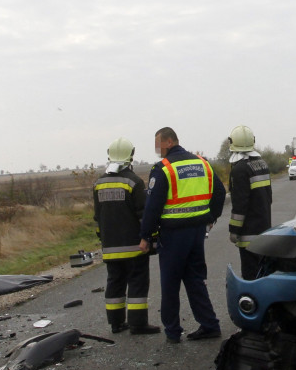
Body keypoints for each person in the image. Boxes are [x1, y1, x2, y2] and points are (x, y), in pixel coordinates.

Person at [139, 127, 226, 343]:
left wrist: (146, 236)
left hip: (173, 234)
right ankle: (209, 324)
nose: (157, 148)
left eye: (158, 143)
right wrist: (211, 217)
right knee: (196, 279)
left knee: (170, 283)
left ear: (169, 142)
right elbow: (221, 192)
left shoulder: (164, 168)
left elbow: (153, 207)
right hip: (197, 232)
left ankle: (173, 331)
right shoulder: (202, 163)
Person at [93, 137, 161, 335]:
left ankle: (116, 323)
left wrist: (103, 239)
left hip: (110, 247)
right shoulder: (134, 182)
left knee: (115, 283)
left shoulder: (98, 183)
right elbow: (143, 215)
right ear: (131, 155)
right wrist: (151, 238)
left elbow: (97, 217)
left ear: (109, 155)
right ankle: (138, 324)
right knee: (137, 284)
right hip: (134, 247)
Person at [225, 125, 272, 280]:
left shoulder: (239, 170)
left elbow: (240, 205)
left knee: (251, 277)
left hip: (248, 236)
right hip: (264, 230)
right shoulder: (262, 165)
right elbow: (269, 197)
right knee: (263, 274)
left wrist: (234, 230)